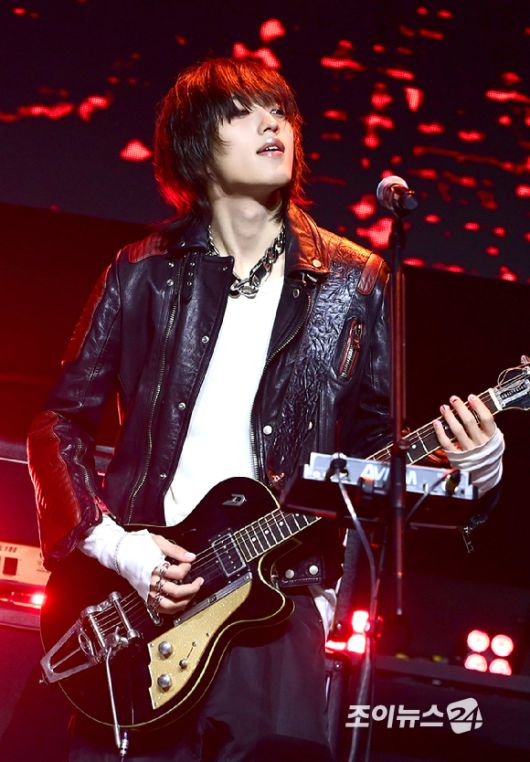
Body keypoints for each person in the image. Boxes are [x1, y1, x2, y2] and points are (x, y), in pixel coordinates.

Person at [27, 57, 504, 761]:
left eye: (279, 110)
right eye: (242, 112)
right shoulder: (141, 271)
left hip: (280, 607)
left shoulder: (355, 283)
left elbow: (375, 460)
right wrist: (119, 548)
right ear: (196, 145)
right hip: (145, 598)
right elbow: (57, 422)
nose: (272, 124)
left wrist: (475, 470)